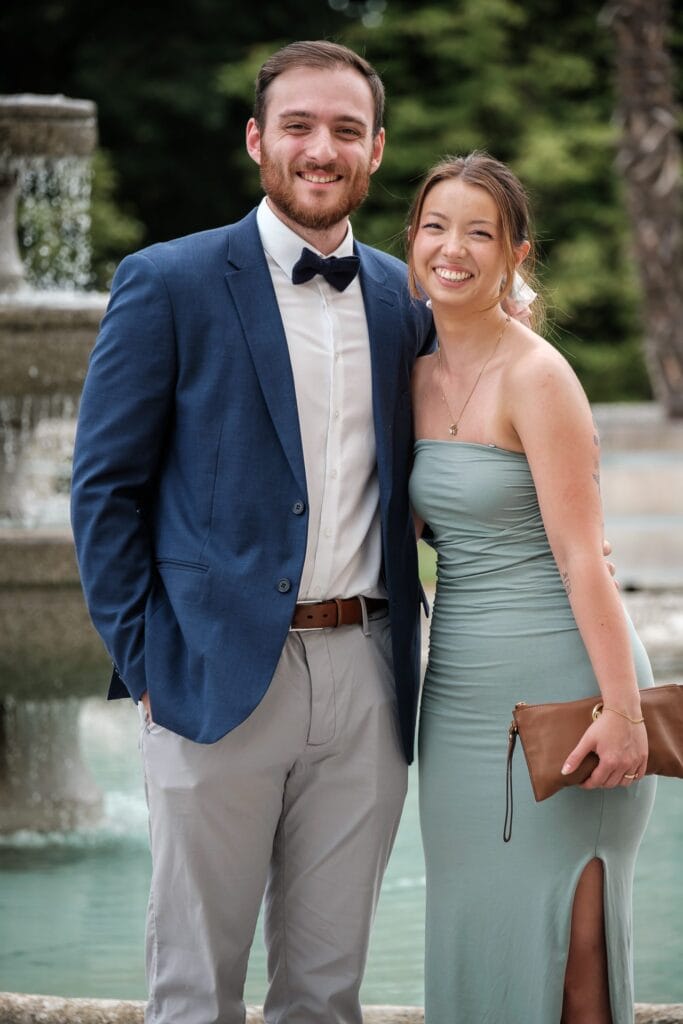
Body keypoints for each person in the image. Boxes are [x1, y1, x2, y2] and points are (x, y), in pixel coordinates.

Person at [70, 40, 435, 1024]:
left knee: (326, 993)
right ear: (256, 140)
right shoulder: (169, 280)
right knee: (195, 990)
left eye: (345, 130)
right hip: (206, 670)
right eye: (298, 126)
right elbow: (103, 487)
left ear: (375, 148)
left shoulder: (408, 298)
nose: (321, 148)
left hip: (366, 674)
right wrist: (145, 657)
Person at [408, 152, 656, 1024]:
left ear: (516, 252)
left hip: (569, 689)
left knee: (569, 951)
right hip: (458, 700)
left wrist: (624, 713)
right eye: (436, 226)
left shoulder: (538, 377)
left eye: (480, 232)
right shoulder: (410, 369)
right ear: (411, 242)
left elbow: (582, 556)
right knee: (473, 927)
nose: (453, 248)